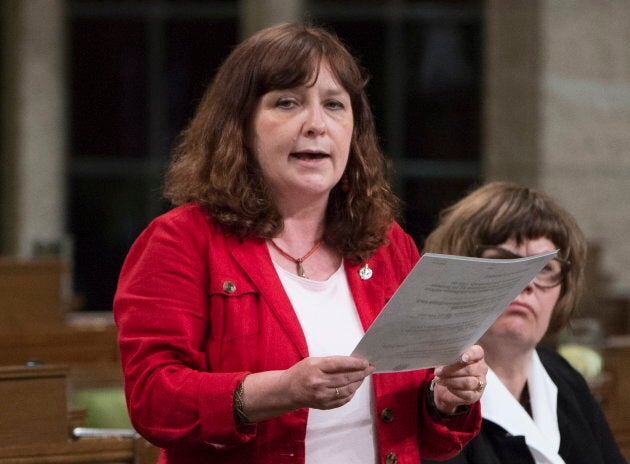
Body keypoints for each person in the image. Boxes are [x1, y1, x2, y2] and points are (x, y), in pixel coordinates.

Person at [113, 22, 487, 464]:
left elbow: (425, 430)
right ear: (240, 126)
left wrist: (443, 396)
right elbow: (154, 401)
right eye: (287, 103)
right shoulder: (180, 240)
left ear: (355, 129)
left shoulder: (387, 244)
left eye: (334, 105)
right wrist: (282, 390)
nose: (316, 124)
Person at [421, 181, 625, 464]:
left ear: (563, 289)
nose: (527, 283)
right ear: (459, 275)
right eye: (503, 262)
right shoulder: (429, 399)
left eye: (544, 268)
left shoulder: (564, 377)